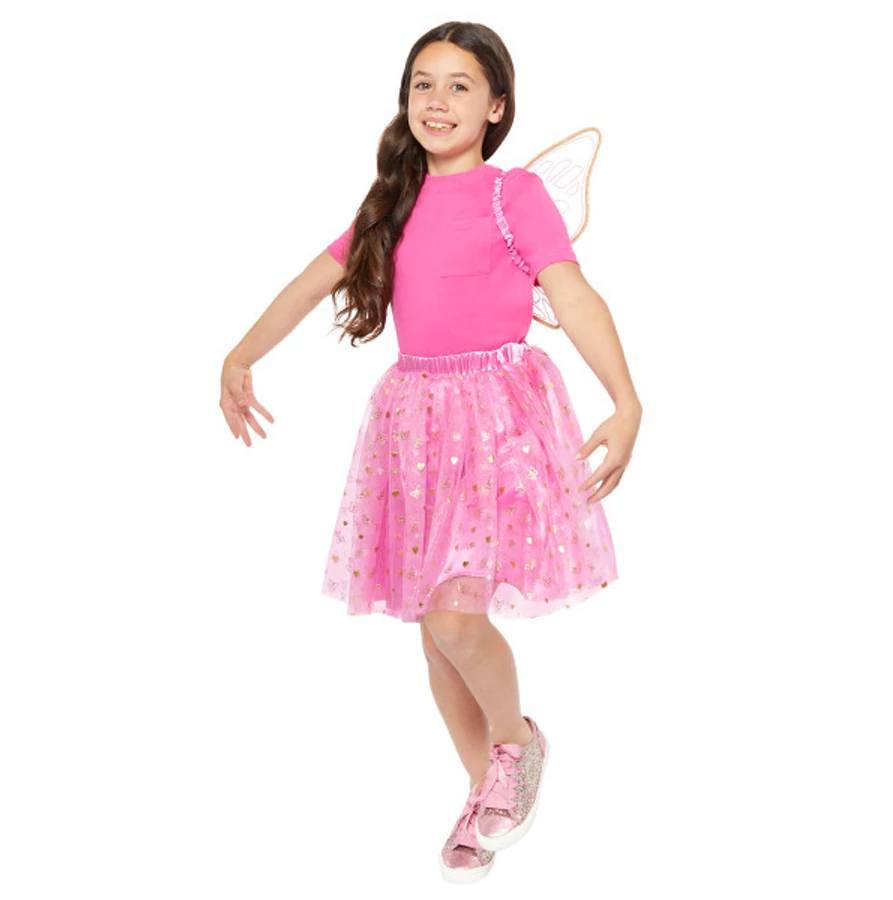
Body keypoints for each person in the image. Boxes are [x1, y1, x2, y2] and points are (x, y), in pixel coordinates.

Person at [220, 20, 642, 884]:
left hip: (495, 420)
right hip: (415, 429)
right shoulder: (395, 201)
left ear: (496, 107)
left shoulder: (514, 194)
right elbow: (312, 281)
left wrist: (626, 399)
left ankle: (517, 745)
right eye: (423, 83)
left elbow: (574, 294)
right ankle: (485, 791)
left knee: (454, 616)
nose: (437, 101)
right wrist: (240, 354)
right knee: (435, 635)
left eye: (459, 86)